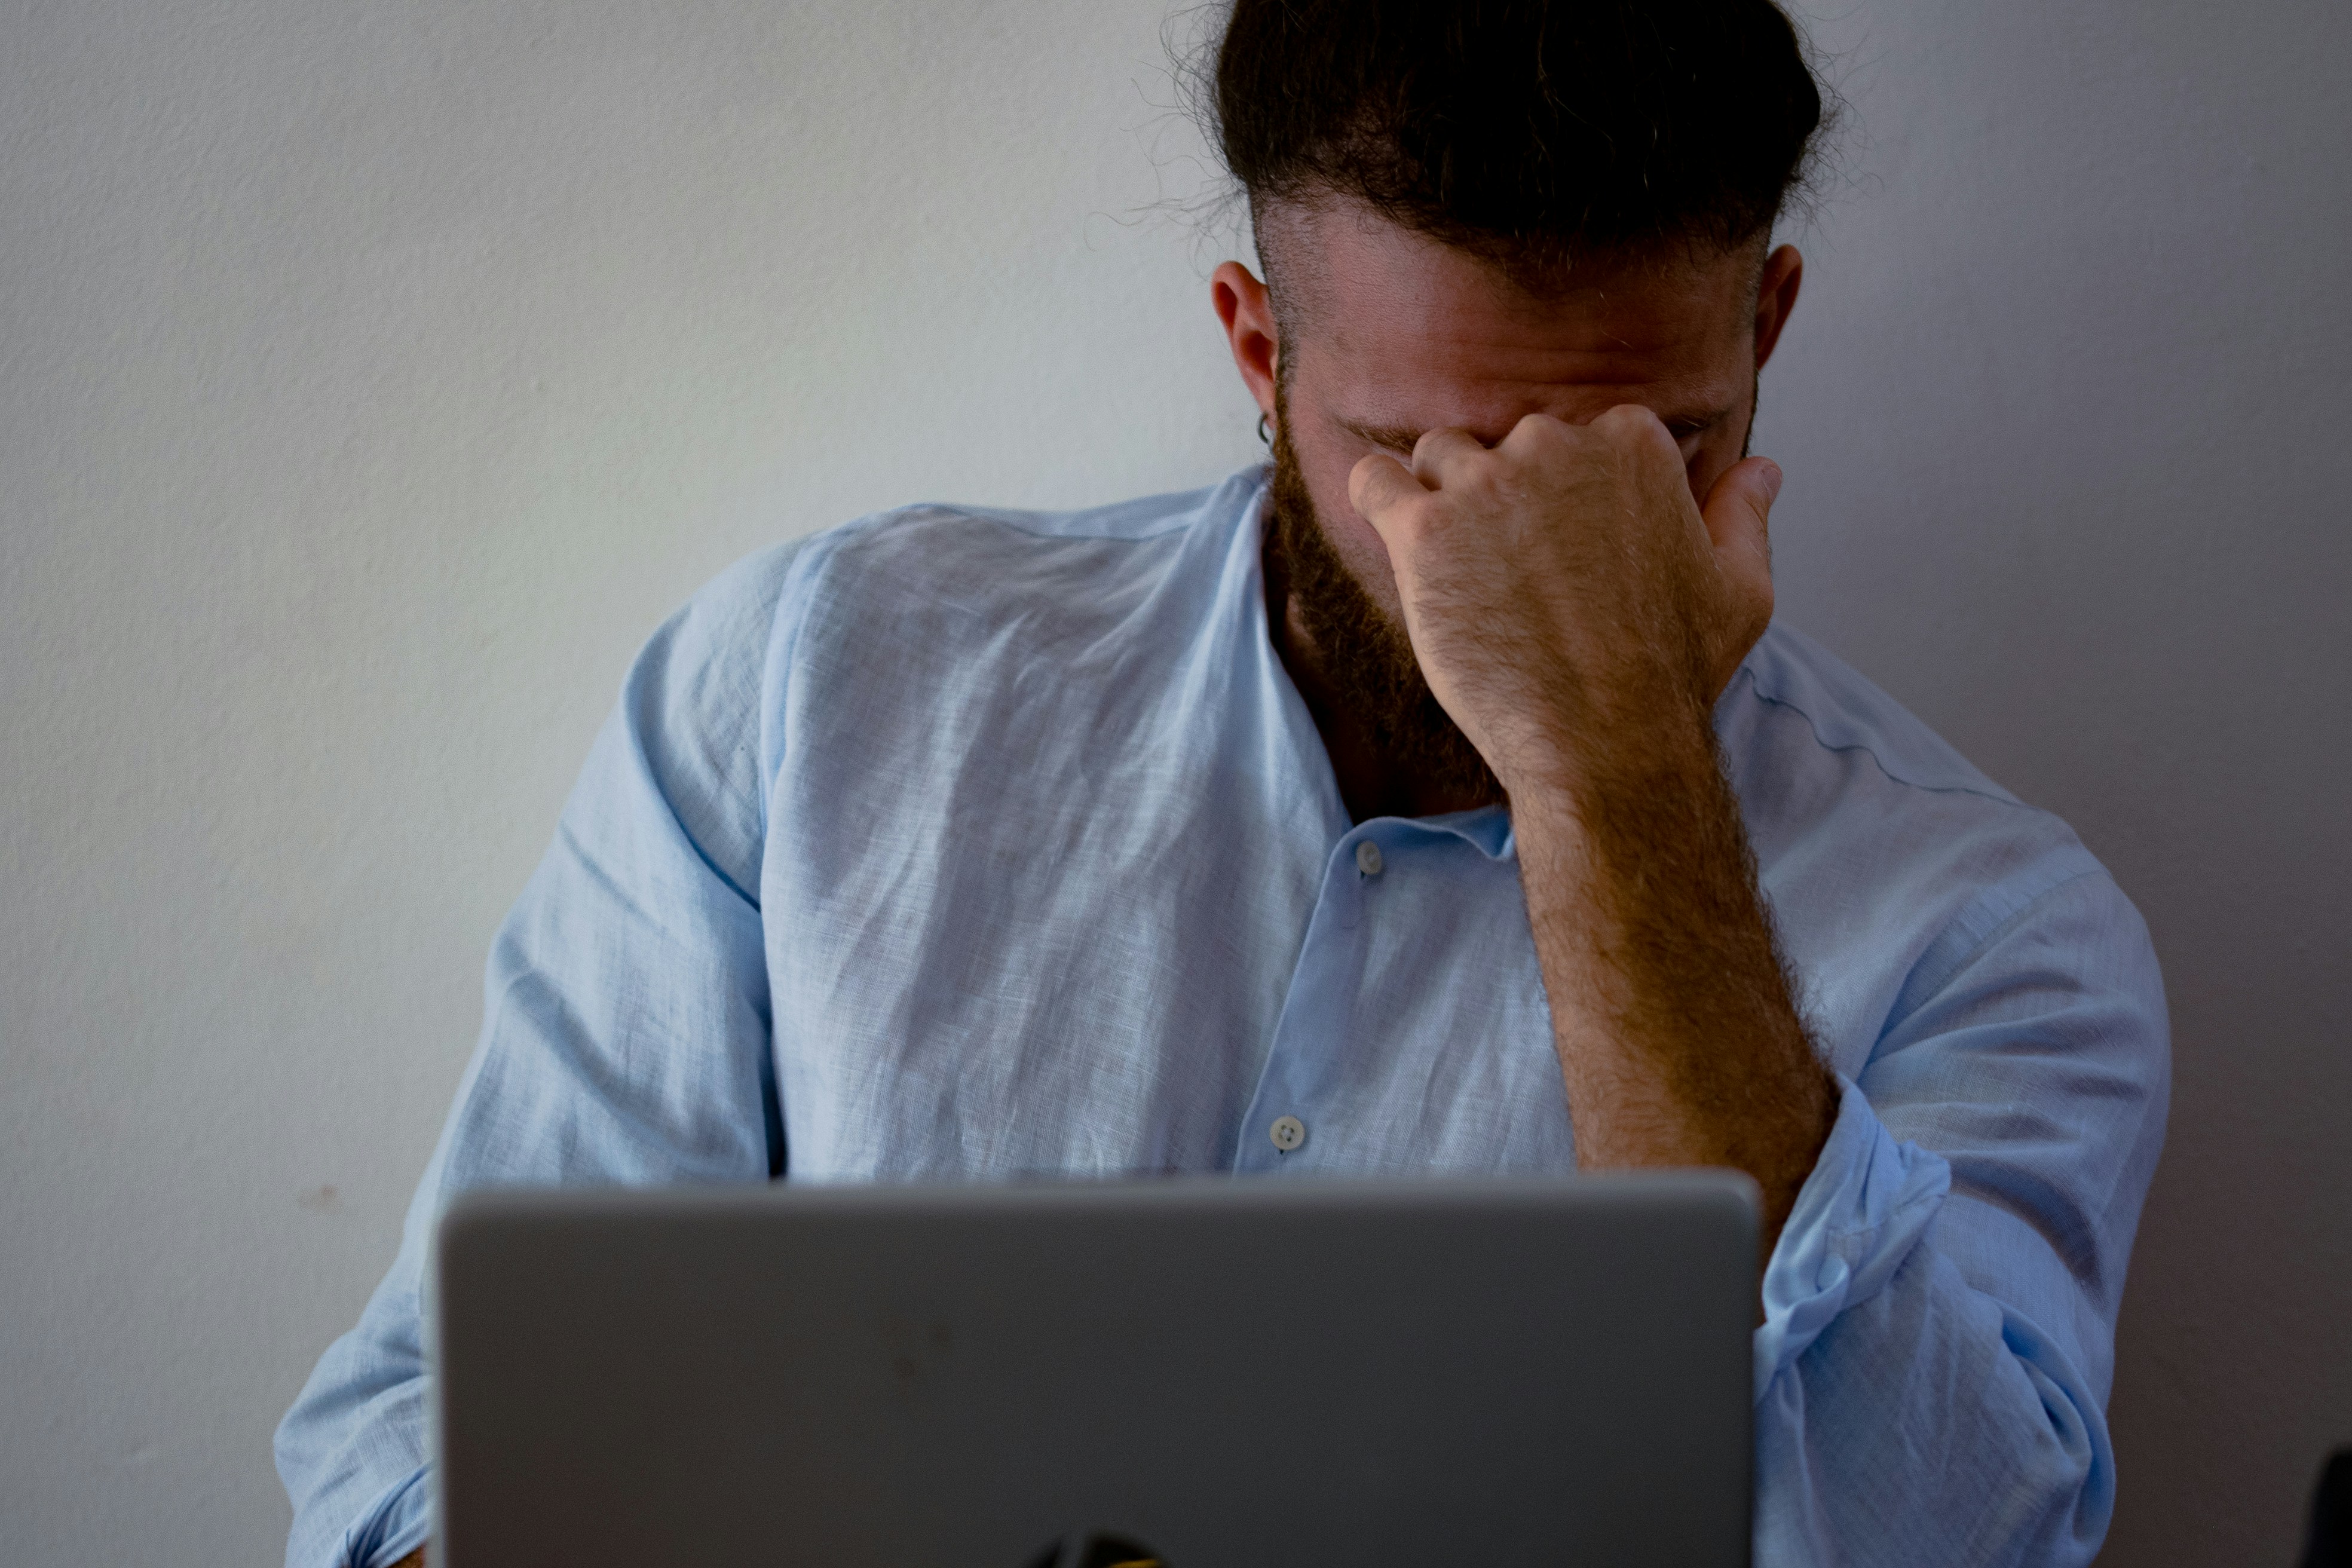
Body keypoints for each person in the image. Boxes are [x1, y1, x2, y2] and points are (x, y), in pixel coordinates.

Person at [275, 2, 2171, 1564]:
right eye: (1417, 452)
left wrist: (1613, 780)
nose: (1496, 549)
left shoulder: (1996, 930)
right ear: (1259, 353)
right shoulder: (810, 691)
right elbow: (409, 1456)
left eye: (1633, 460)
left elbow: (1946, 1546)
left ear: (1762, 334)